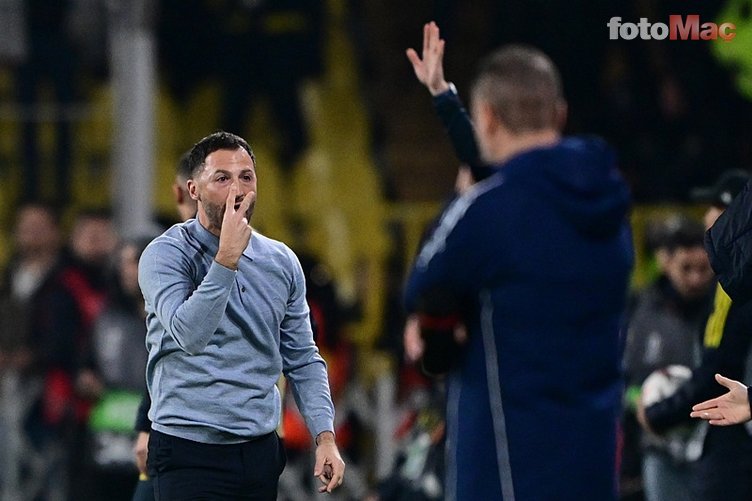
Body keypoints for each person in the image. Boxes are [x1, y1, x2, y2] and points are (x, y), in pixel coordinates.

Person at [403, 22, 634, 501]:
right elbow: (519, 178)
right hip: (592, 462)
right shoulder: (611, 206)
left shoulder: (488, 212)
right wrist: (447, 102)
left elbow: (424, 283)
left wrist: (460, 196)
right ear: (560, 114)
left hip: (508, 469)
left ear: (487, 118)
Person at [138, 131, 344, 499]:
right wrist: (227, 259)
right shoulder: (165, 255)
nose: (237, 189)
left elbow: (302, 358)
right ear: (193, 190)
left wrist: (324, 436)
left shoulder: (281, 262)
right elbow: (189, 335)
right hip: (188, 449)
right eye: (222, 178)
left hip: (259, 451)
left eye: (246, 177)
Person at [634, 169, 752, 500]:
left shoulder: (733, 284)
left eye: (714, 208)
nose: (706, 218)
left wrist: (658, 415)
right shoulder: (649, 307)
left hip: (735, 443)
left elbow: (716, 369)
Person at [622, 214, 715, 501]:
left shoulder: (723, 308)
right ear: (666, 261)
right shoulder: (641, 310)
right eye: (686, 268)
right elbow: (623, 377)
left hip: (712, 447)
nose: (695, 278)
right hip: (658, 449)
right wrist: (637, 399)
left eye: (703, 268)